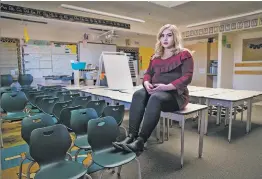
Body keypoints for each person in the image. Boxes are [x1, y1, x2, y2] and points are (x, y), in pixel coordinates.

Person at [113, 24, 194, 154]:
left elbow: (187, 77)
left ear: (175, 37)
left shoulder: (184, 54)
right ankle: (131, 137)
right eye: (162, 36)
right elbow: (148, 74)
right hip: (156, 91)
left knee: (156, 98)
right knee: (138, 94)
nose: (165, 39)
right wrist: (146, 83)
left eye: (169, 35)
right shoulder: (155, 56)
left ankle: (141, 141)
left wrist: (166, 87)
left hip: (175, 95)